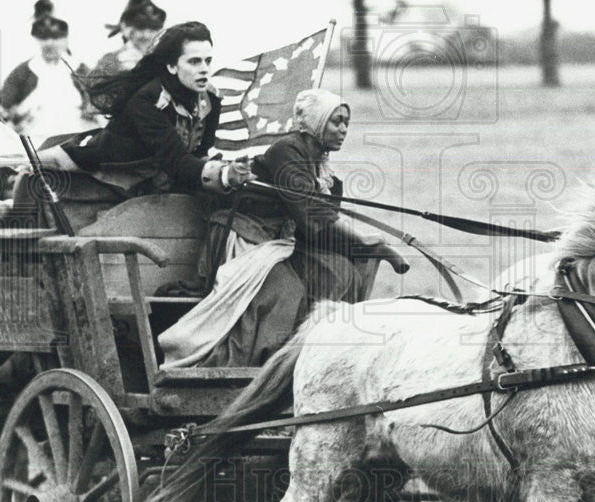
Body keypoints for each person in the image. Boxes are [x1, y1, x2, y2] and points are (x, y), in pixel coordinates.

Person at [159, 88, 408, 368]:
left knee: (340, 275)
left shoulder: (325, 174)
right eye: (336, 121)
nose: (343, 129)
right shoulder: (286, 150)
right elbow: (311, 212)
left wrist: (362, 249)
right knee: (285, 289)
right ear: (315, 121)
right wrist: (368, 243)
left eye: (346, 123)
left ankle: (313, 359)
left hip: (280, 245)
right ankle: (253, 366)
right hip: (246, 239)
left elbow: (320, 230)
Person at [39, 20, 249, 195]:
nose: (204, 69)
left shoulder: (210, 98)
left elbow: (199, 152)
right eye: (194, 61)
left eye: (208, 61)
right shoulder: (148, 100)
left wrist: (227, 170)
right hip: (105, 165)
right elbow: (175, 159)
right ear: (172, 66)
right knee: (33, 163)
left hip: (154, 174)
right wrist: (223, 175)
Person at [0, 0, 92, 143]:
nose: (50, 43)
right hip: (35, 139)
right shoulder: (25, 70)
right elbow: (3, 106)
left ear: (66, 39)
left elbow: (95, 104)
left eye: (56, 37)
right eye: (44, 37)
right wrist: (14, 117)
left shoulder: (79, 68)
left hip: (75, 138)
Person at [93, 0, 167, 78]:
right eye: (140, 29)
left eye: (153, 29)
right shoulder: (108, 64)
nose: (147, 35)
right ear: (127, 29)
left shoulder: (166, 63)